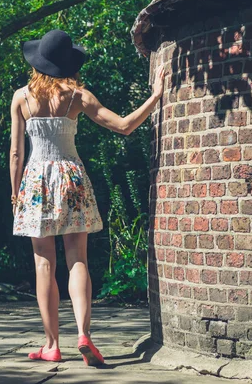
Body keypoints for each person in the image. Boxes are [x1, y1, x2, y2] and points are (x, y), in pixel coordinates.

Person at [9, 29, 165, 366]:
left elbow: (16, 155)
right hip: (71, 179)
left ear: (38, 62)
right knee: (77, 257)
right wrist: (156, 96)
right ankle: (84, 334)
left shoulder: (21, 97)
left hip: (35, 182)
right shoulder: (78, 95)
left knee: (43, 264)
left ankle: (51, 344)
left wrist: (15, 192)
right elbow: (124, 125)